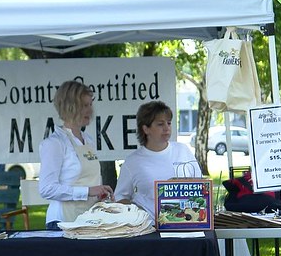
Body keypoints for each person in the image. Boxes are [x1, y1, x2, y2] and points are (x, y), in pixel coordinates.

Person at [38, 80, 114, 229]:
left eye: (90, 105)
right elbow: (46, 189)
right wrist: (88, 191)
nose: (90, 111)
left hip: (89, 220)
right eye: (84, 106)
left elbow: (90, 183)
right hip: (62, 222)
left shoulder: (88, 141)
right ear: (69, 107)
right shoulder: (54, 143)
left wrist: (100, 193)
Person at [115, 101, 201, 213]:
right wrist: (138, 212)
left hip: (187, 224)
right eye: (160, 124)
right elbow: (119, 197)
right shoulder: (133, 162)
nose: (166, 128)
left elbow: (201, 187)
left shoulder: (183, 150)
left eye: (169, 123)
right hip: (149, 228)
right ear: (146, 129)